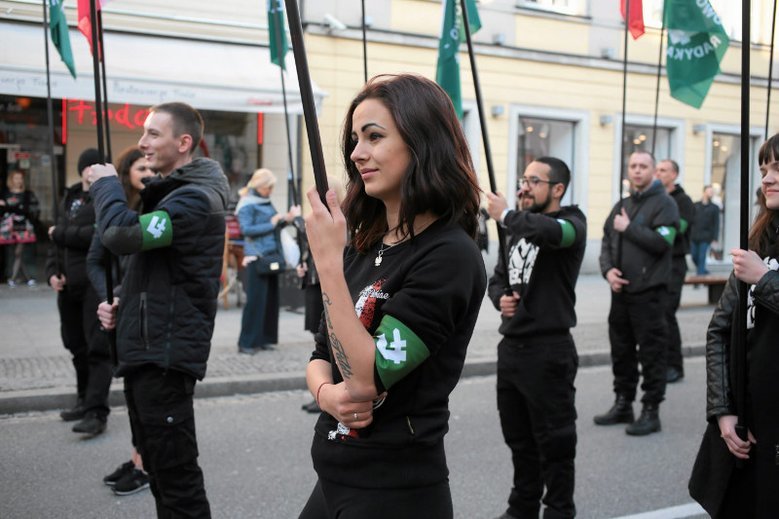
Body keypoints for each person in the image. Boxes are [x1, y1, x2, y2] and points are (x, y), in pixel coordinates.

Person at [298, 73, 486, 519]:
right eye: (354, 139)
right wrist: (326, 395)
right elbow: (323, 352)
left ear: (422, 142)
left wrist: (327, 263)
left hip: (394, 490)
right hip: (334, 477)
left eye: (374, 136)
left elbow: (366, 378)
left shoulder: (450, 255)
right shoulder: (366, 245)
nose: (357, 153)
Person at [88, 102, 229, 518]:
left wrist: (107, 186)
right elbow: (154, 272)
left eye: (153, 134)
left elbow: (120, 234)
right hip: (147, 353)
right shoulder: (172, 194)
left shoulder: (194, 201)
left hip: (164, 359)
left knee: (177, 480)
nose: (142, 142)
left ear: (183, 143)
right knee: (161, 475)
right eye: (143, 132)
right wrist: (122, 303)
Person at [486, 157, 586, 519]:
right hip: (512, 350)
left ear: (557, 189)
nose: (524, 186)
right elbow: (497, 277)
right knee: (520, 441)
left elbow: (554, 234)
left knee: (556, 444)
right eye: (522, 179)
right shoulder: (515, 230)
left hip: (549, 352)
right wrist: (501, 298)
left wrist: (507, 214)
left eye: (534, 181)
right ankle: (522, 507)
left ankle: (559, 510)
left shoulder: (573, 223)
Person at [705, 133, 779, 515]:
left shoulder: (759, 264)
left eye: (778, 167)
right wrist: (724, 410)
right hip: (749, 425)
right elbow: (720, 330)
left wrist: (765, 280)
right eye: (764, 169)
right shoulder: (759, 242)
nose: (766, 178)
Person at [594, 150, 679, 436]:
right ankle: (623, 402)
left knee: (652, 353)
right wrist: (608, 271)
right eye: (633, 166)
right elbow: (606, 240)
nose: (637, 170)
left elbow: (662, 243)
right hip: (620, 291)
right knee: (621, 350)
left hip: (650, 293)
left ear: (654, 171)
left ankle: (651, 409)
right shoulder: (622, 204)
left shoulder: (665, 204)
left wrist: (630, 228)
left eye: (643, 166)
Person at [86, 146, 154, 495]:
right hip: (120, 313)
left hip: (144, 319)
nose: (146, 172)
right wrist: (108, 296)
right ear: (126, 173)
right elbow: (96, 260)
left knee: (144, 397)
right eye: (139, 167)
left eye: (149, 167)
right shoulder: (116, 212)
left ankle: (144, 462)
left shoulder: (158, 206)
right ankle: (138, 456)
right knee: (131, 395)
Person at [45, 148, 108, 434]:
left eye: (97, 164)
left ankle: (97, 411)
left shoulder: (105, 198)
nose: (92, 169)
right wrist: (51, 273)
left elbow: (96, 235)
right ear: (81, 169)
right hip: (67, 284)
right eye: (88, 165)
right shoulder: (68, 197)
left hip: (93, 284)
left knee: (97, 348)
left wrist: (58, 233)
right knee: (75, 345)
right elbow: (55, 245)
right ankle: (83, 399)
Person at [235, 168, 299, 354]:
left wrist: (286, 219)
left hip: (271, 254)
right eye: (269, 187)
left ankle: (264, 339)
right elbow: (246, 230)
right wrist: (272, 222)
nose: (271, 191)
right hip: (257, 256)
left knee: (269, 300)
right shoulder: (247, 203)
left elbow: (273, 225)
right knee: (255, 301)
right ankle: (246, 342)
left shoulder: (264, 200)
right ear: (260, 185)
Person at [298, 176, 345, 414]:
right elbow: (308, 249)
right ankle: (323, 390)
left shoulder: (337, 221)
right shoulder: (316, 219)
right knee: (320, 337)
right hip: (314, 281)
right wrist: (302, 264)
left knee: (332, 336)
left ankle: (332, 387)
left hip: (327, 284)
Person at [655, 159, 694, 384]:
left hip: (675, 263)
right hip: (657, 263)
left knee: (667, 314)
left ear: (674, 174)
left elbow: (678, 228)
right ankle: (659, 364)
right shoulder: (658, 198)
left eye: (664, 170)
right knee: (656, 316)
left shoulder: (684, 201)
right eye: (657, 170)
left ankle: (674, 365)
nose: (659, 174)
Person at [1, 169, 40, 287]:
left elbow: (27, 210)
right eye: (16, 178)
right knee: (11, 252)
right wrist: (14, 207)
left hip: (22, 226)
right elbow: (3, 211)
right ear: (11, 180)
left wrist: (8, 206)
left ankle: (15, 277)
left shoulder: (27, 194)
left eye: (20, 178)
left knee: (20, 252)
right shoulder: (5, 193)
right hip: (8, 227)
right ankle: (17, 277)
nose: (19, 181)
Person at [690, 185, 720, 276]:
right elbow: (691, 220)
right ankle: (703, 270)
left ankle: (699, 280)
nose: (711, 193)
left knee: (702, 257)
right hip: (694, 236)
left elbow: (716, 223)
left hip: (706, 236)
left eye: (712, 191)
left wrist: (715, 238)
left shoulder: (715, 207)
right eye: (709, 191)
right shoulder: (695, 205)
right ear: (704, 192)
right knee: (694, 256)